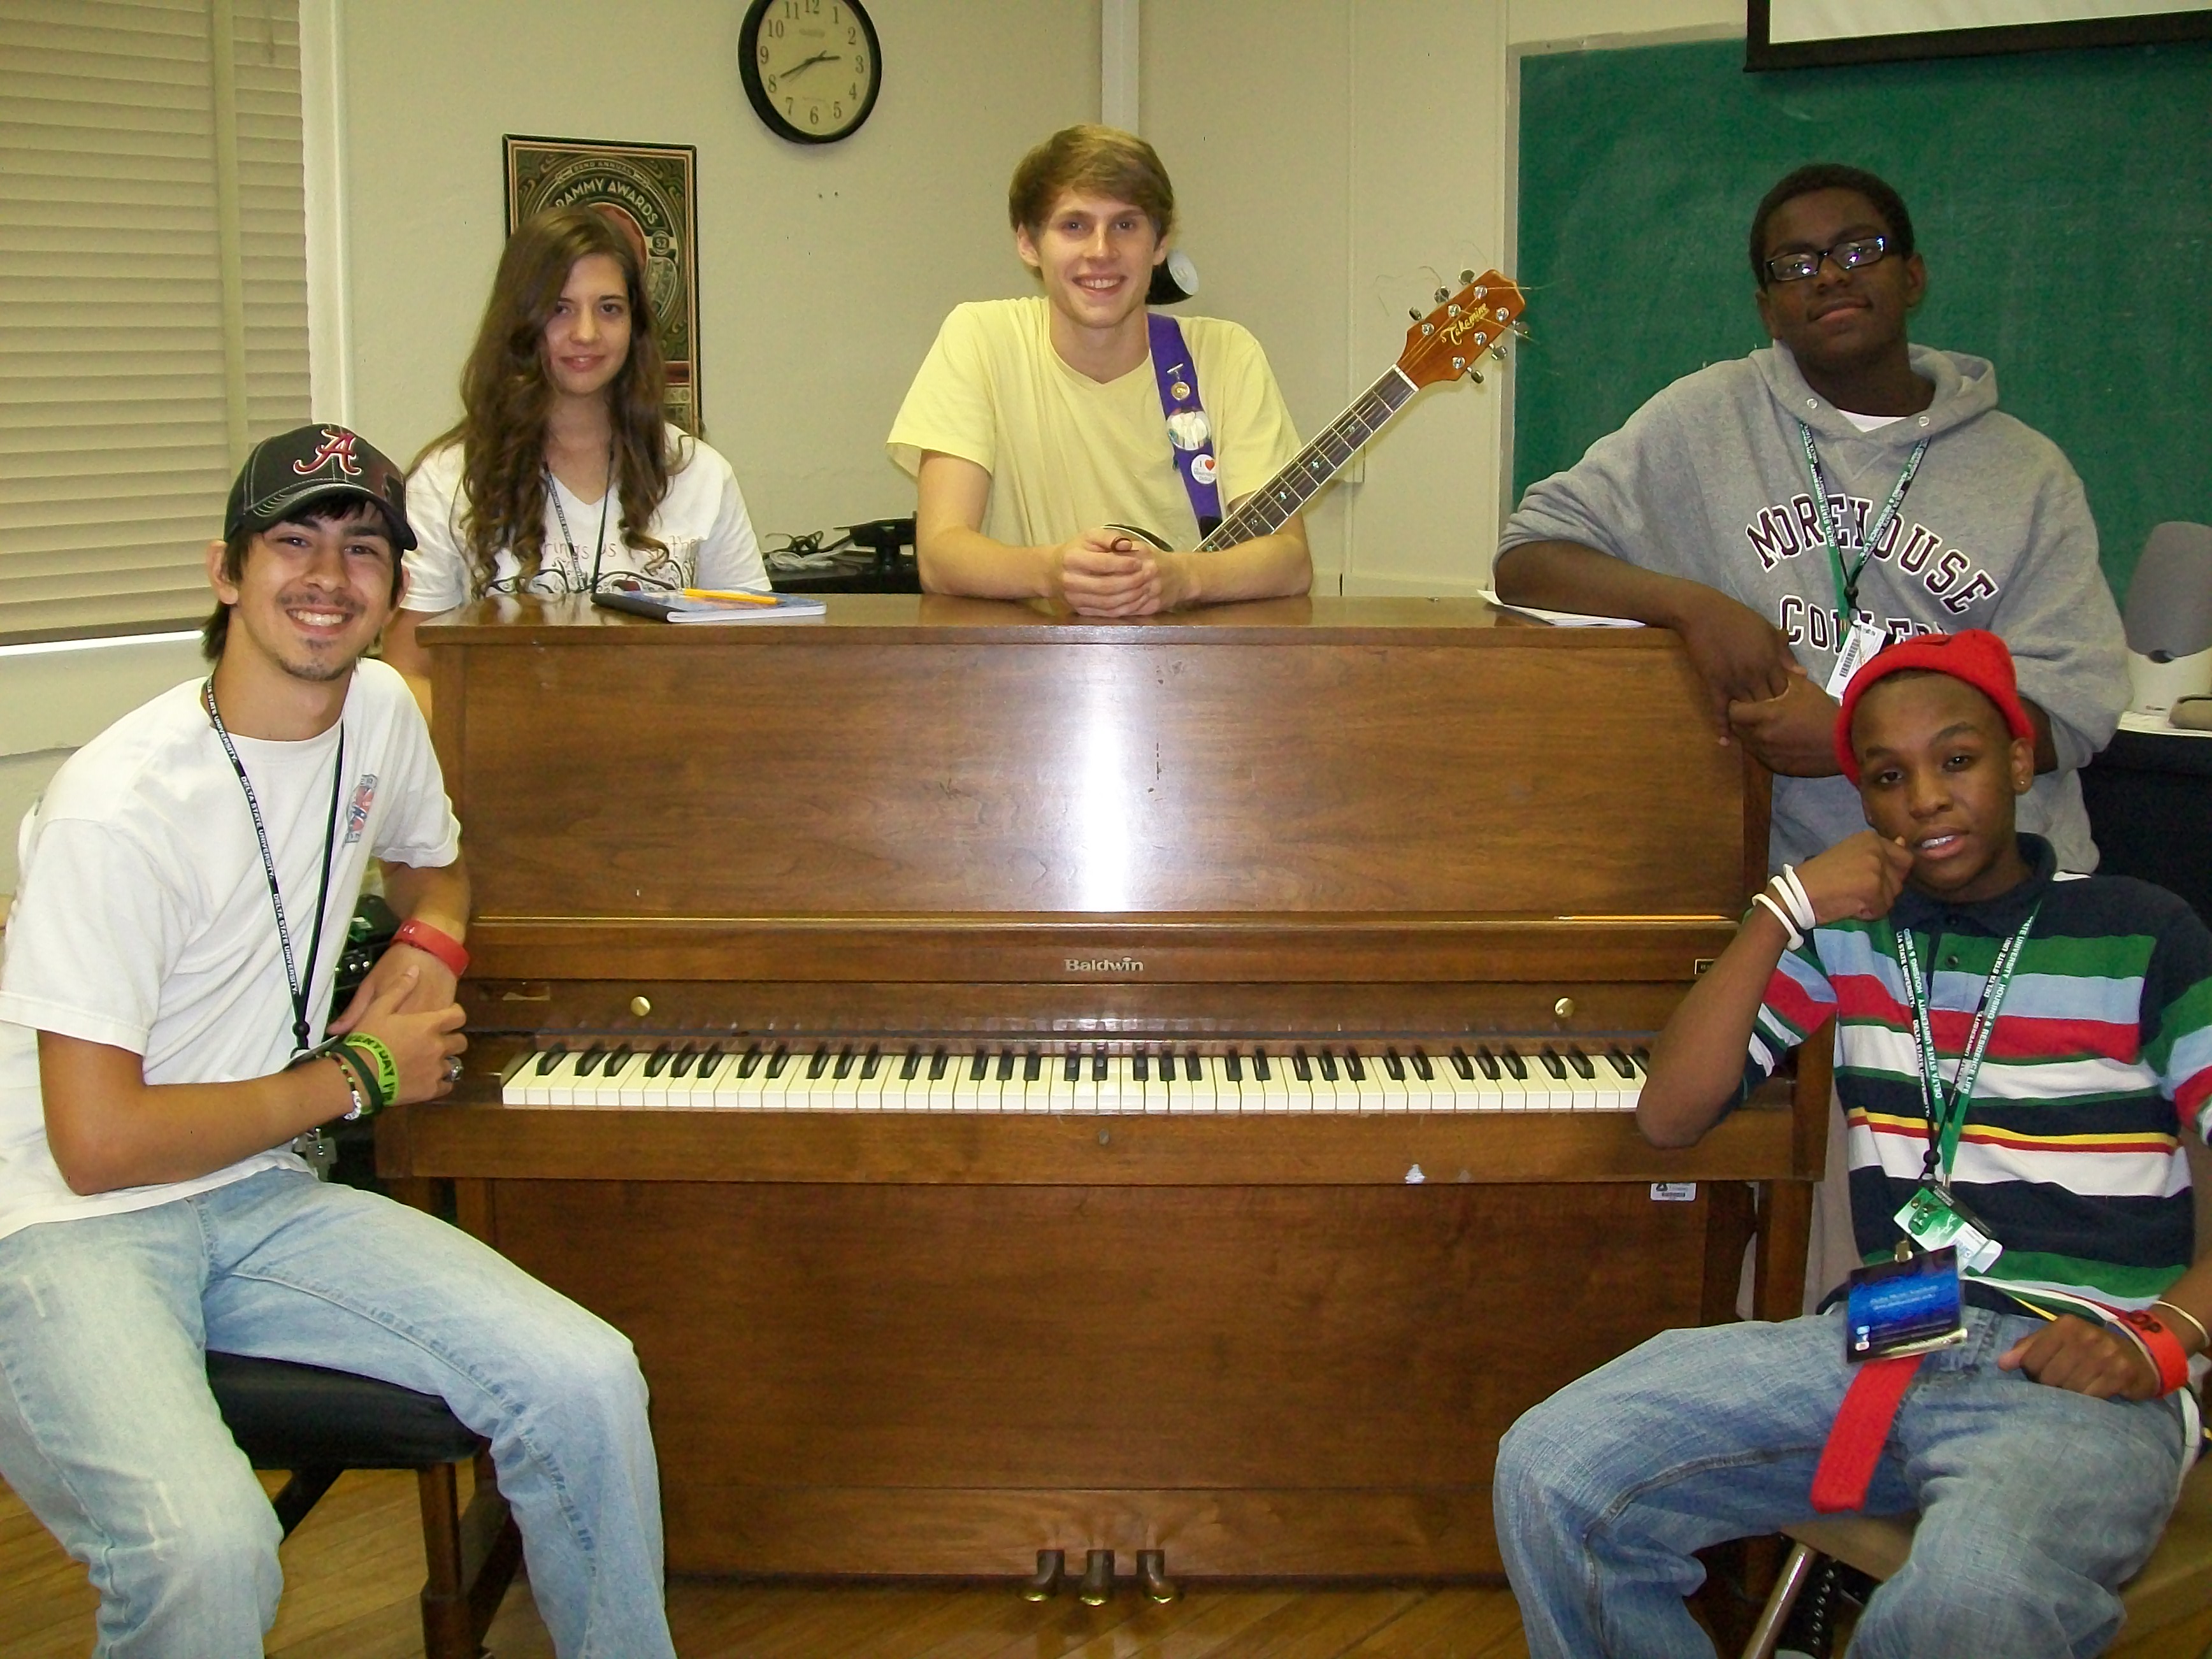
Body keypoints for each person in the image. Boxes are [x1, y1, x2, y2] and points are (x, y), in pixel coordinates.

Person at [0, 426, 677, 1656]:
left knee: (586, 1381)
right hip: (60, 1223)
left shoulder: (376, 708)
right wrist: (358, 1074)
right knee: (204, 1551)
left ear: (391, 589)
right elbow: (95, 1143)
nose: (329, 573)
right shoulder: (120, 805)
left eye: (362, 546)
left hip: (255, 1189)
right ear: (225, 572)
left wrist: (435, 943)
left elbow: (441, 864)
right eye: (293, 539)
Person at [1493, 630, 2209, 1659]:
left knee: (1971, 1596)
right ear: (1863, 799)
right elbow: (1669, 1113)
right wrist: (1783, 910)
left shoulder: (2141, 931)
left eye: (1955, 760)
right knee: (1554, 1465)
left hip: (2081, 1363)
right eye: (1886, 775)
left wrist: (2165, 1336)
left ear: (2015, 760)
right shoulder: (1849, 939)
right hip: (1884, 1335)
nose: (1923, 796)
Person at [1493, 162, 2127, 876]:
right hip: (1786, 894)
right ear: (1768, 310)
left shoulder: (2027, 472)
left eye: (1859, 251)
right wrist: (1693, 607)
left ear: (1912, 277)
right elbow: (1528, 559)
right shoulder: (1706, 419)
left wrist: (1855, 741)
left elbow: (2069, 712)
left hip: (1995, 891)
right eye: (1795, 265)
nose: (1828, 277)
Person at [887, 124, 1311, 617]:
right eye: (1074, 226)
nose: (1101, 251)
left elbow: (1289, 560)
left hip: (1190, 677)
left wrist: (1179, 578)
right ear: (1028, 243)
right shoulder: (979, 338)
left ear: (1160, 244)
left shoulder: (1226, 354)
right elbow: (940, 555)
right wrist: (1052, 572)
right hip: (1017, 676)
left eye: (1126, 225)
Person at [384, 206, 766, 710]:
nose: (586, 333)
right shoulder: (448, 479)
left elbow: (759, 655)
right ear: (521, 322)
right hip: (505, 769)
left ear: (636, 325)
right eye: (560, 309)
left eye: (609, 308)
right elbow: (407, 675)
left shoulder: (699, 473)